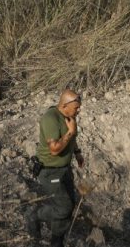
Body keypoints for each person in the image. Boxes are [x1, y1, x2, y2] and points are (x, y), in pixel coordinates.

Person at [27, 89, 84, 246]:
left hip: (65, 168)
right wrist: (71, 132)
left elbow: (72, 138)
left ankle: (56, 241)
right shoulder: (50, 119)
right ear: (65, 105)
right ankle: (35, 215)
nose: (78, 110)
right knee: (64, 208)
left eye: (79, 107)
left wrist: (77, 153)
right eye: (76, 108)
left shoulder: (68, 116)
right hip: (49, 170)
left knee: (69, 205)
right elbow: (54, 149)